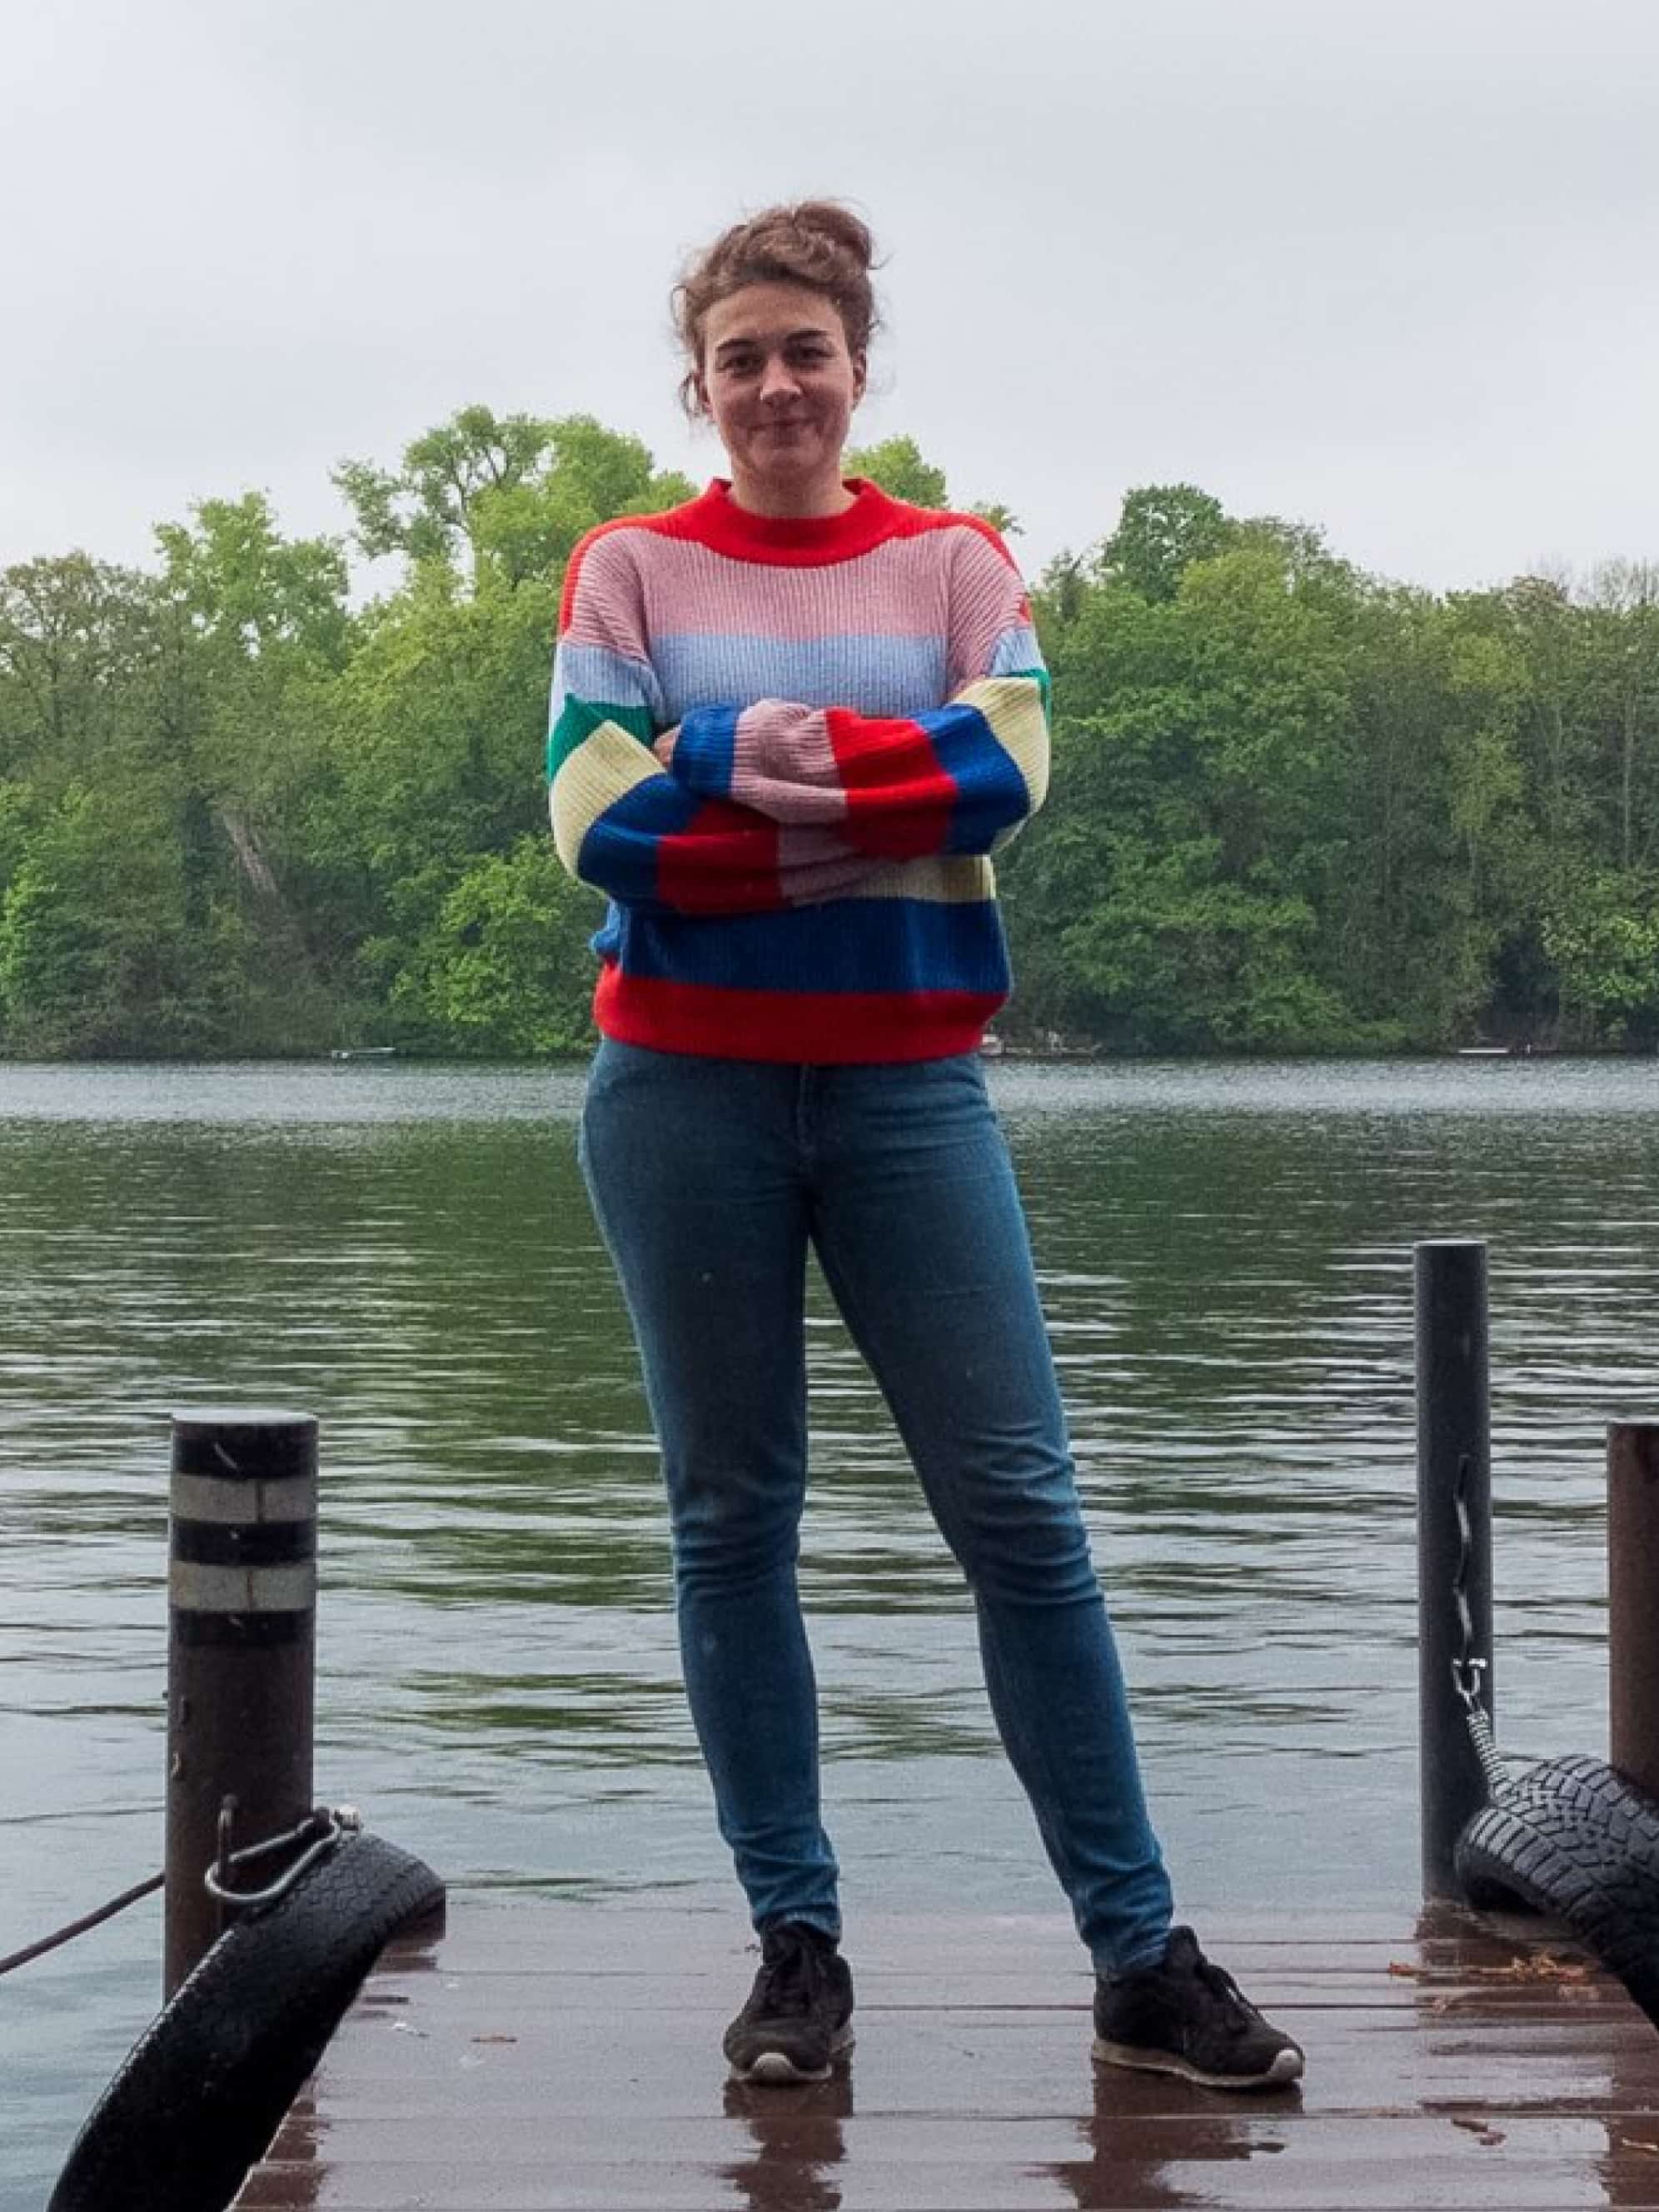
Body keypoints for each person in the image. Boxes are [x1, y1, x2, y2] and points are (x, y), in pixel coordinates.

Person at [547, 201, 1303, 2093]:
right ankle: (796, 1947)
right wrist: (835, 799)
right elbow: (597, 818)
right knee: (734, 1522)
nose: (779, 384)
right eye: (743, 358)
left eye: (809, 349)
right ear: (702, 387)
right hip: (681, 1092)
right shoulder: (627, 564)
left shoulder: (958, 563)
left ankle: (1140, 1955)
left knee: (1026, 1518)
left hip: (907, 1088)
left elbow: (1005, 775)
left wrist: (724, 754)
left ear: (858, 367)